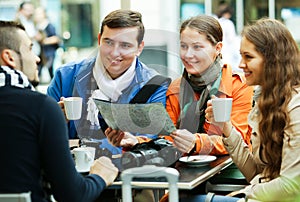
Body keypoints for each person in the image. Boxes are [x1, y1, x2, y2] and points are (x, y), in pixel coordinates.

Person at [0, 20, 118, 202]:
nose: (37, 59)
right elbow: (74, 195)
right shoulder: (40, 107)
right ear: (9, 57)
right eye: (30, 49)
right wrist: (101, 176)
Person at [107, 15, 253, 157]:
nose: (188, 55)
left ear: (218, 48)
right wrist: (137, 142)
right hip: (186, 173)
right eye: (183, 46)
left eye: (197, 47)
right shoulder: (175, 88)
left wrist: (196, 142)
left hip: (228, 173)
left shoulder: (238, 85)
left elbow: (239, 142)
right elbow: (169, 139)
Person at [46, 9, 170, 157]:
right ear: (99, 39)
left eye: (125, 45)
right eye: (109, 42)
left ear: (139, 48)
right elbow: (42, 136)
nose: (114, 52)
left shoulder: (155, 86)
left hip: (124, 172)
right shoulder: (65, 76)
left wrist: (134, 141)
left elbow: (153, 141)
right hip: (73, 169)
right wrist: (56, 121)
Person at [203, 18, 300, 201]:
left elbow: (291, 186)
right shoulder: (265, 101)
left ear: (273, 61)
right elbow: (256, 173)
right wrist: (225, 127)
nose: (240, 64)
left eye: (248, 57)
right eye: (241, 56)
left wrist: (243, 195)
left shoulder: (296, 107)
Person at [34, 6, 60, 80]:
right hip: (41, 53)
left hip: (49, 53)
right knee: (39, 69)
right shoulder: (37, 26)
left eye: (39, 14)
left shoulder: (49, 25)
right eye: (36, 14)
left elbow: (56, 38)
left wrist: (43, 41)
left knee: (50, 69)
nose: (37, 16)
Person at [215, 3, 241, 72]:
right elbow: (231, 39)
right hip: (227, 52)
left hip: (218, 52)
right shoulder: (228, 23)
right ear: (227, 13)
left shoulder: (216, 22)